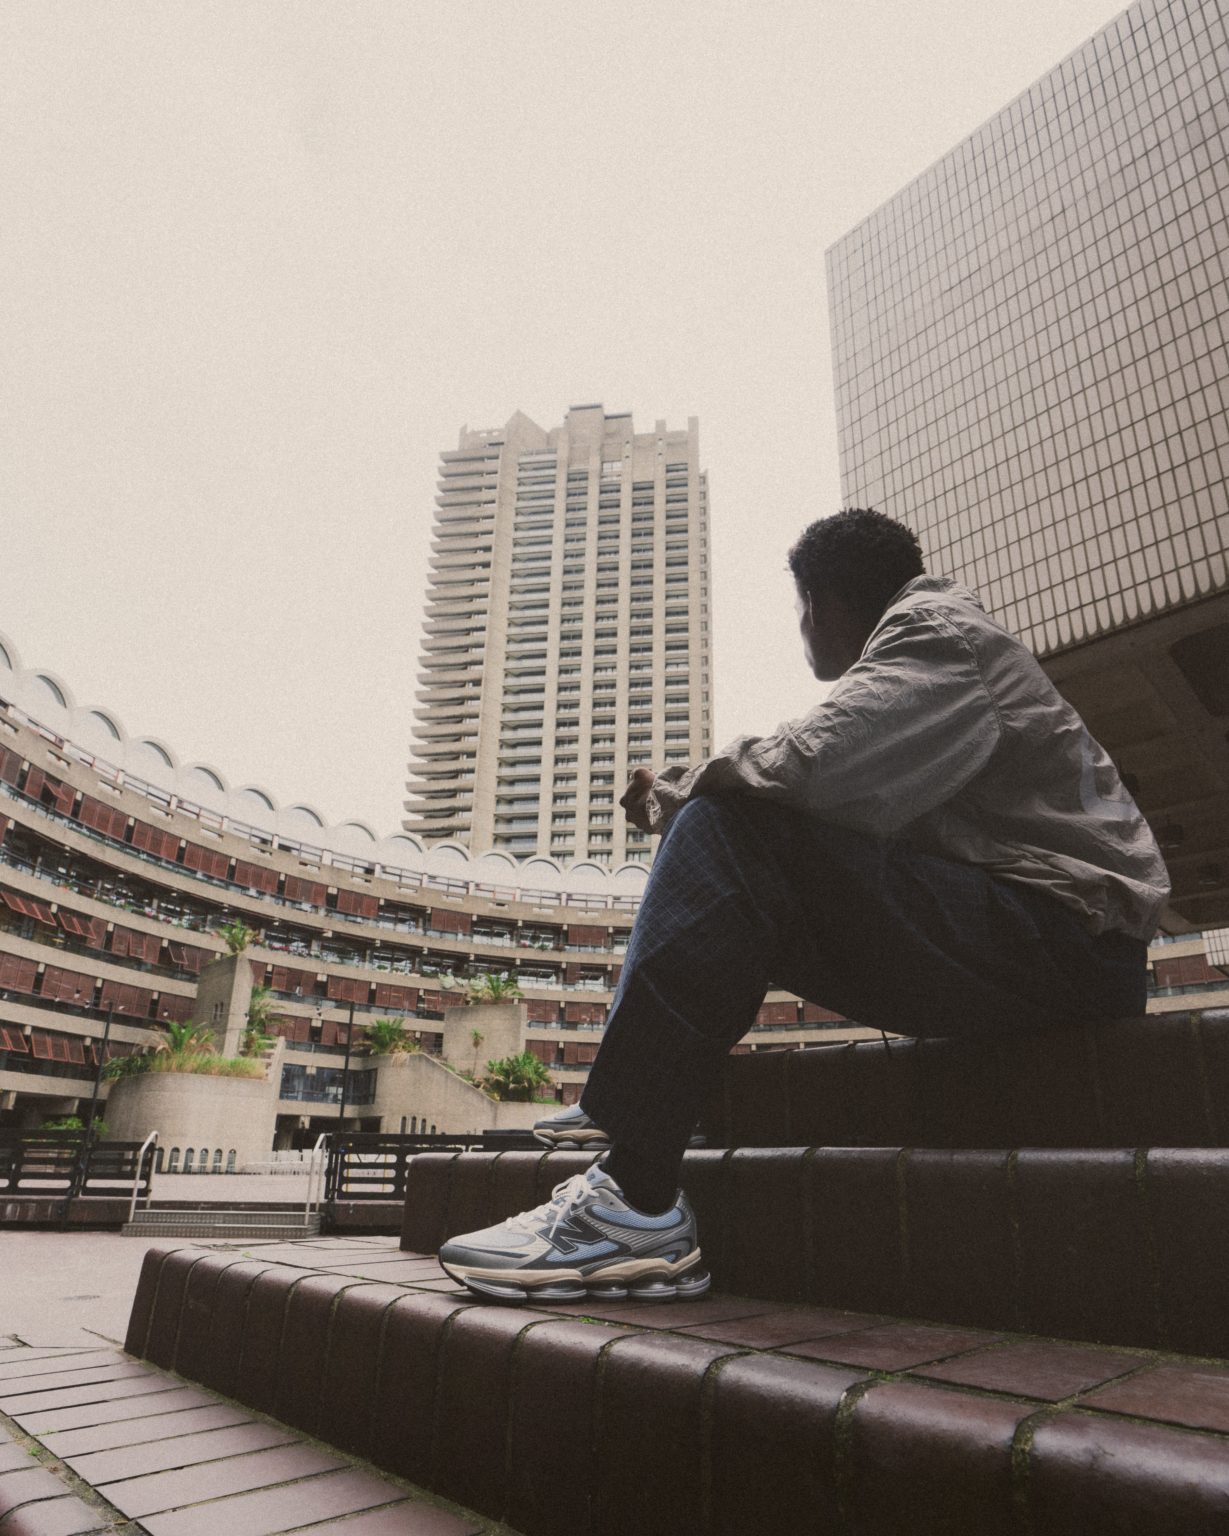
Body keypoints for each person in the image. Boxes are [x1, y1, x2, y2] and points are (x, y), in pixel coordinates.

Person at [438, 508, 1170, 1303]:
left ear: (817, 603)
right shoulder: (944, 652)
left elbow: (810, 762)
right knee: (743, 843)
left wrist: (674, 792)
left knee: (728, 824)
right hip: (1043, 944)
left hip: (1066, 946)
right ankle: (650, 1098)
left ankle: (635, 1200)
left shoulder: (936, 633)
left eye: (800, 608)